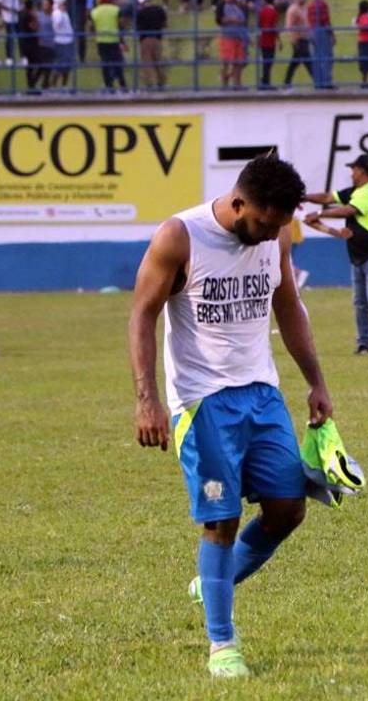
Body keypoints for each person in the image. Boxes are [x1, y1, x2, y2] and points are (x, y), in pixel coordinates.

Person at [128, 154, 334, 679]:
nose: (270, 236)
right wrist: (146, 399)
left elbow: (288, 305)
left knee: (289, 509)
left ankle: (213, 581)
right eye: (264, 223)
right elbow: (142, 315)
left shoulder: (278, 237)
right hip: (202, 400)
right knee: (220, 519)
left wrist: (316, 381)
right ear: (239, 203)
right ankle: (222, 644)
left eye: (280, 226)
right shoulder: (180, 236)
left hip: (262, 393)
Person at [303, 154, 368, 354]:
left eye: (354, 169)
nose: (351, 173)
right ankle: (363, 345)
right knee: (360, 302)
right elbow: (327, 198)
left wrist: (320, 214)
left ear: (362, 171)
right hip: (357, 255)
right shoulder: (355, 192)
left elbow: (348, 211)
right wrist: (303, 197)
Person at [89, 0, 126, 90]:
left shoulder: (94, 12)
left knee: (105, 64)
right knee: (117, 63)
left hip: (101, 41)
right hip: (114, 40)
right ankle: (123, 85)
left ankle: (109, 86)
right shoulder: (115, 10)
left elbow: (91, 27)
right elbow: (121, 24)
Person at [134, 0, 168, 89]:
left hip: (145, 40)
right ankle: (161, 84)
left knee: (147, 64)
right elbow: (165, 24)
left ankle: (150, 85)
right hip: (157, 39)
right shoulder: (159, 9)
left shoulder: (140, 12)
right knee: (159, 62)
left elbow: (137, 27)